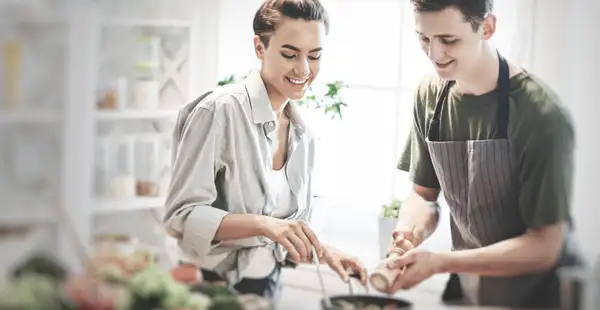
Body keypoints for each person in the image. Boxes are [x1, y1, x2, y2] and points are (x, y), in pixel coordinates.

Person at [383, 0, 584, 308]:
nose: (435, 54)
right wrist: (409, 232)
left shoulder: (542, 116)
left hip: (539, 296)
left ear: (487, 28)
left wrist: (440, 262)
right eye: (424, 38)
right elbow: (423, 197)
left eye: (449, 40)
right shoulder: (429, 95)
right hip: (471, 290)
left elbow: (545, 246)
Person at [162, 0, 367, 303]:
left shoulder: (303, 135)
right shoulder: (218, 111)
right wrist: (264, 225)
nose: (304, 69)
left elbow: (282, 233)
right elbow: (181, 216)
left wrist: (325, 252)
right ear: (259, 47)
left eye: (315, 55)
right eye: (290, 54)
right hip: (207, 289)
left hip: (267, 288)